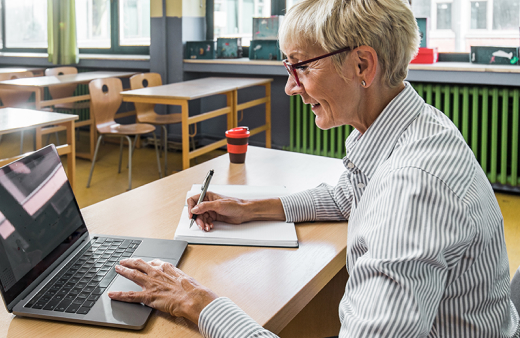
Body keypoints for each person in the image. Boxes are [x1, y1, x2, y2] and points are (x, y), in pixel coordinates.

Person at [108, 0, 520, 336]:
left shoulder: (410, 190)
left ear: (362, 65)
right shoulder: (411, 124)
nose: (290, 85)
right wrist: (248, 208)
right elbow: (348, 196)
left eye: (301, 66)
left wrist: (196, 302)